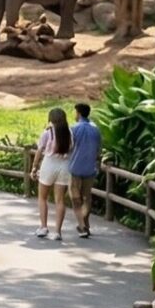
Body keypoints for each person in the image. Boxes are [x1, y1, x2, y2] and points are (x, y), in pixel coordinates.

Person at [33, 107, 73, 239]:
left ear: (51, 119)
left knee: (42, 197)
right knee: (60, 200)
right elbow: (72, 149)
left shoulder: (47, 133)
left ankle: (44, 227)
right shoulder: (69, 133)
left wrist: (34, 167)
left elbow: (39, 151)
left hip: (49, 164)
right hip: (64, 165)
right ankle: (57, 232)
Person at [68, 102, 102, 238]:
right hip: (90, 168)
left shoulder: (74, 128)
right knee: (87, 197)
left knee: (75, 198)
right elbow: (99, 149)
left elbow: (69, 147)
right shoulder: (96, 129)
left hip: (75, 168)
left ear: (79, 113)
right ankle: (86, 224)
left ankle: (82, 225)